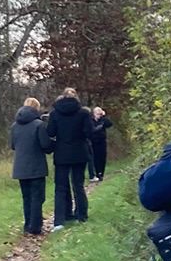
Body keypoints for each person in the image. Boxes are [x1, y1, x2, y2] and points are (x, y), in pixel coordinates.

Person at [46, 86, 94, 227]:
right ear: (76, 97)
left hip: (61, 153)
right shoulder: (83, 113)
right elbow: (89, 132)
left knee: (60, 187)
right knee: (78, 185)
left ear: (63, 96)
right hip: (79, 152)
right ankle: (81, 215)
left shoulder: (55, 113)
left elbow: (50, 132)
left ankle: (59, 220)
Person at [9, 96, 54, 237]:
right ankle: (35, 226)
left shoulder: (14, 126)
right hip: (36, 166)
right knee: (37, 197)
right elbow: (45, 145)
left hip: (20, 167)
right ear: (36, 108)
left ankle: (27, 225)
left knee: (26, 197)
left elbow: (12, 145)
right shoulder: (38, 125)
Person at [89, 106, 114, 183]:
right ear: (94, 114)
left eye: (100, 114)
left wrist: (103, 116)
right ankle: (97, 173)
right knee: (95, 158)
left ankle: (101, 173)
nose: (98, 115)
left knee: (102, 157)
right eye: (97, 114)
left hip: (102, 141)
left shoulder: (103, 120)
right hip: (94, 142)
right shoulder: (91, 121)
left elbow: (109, 124)